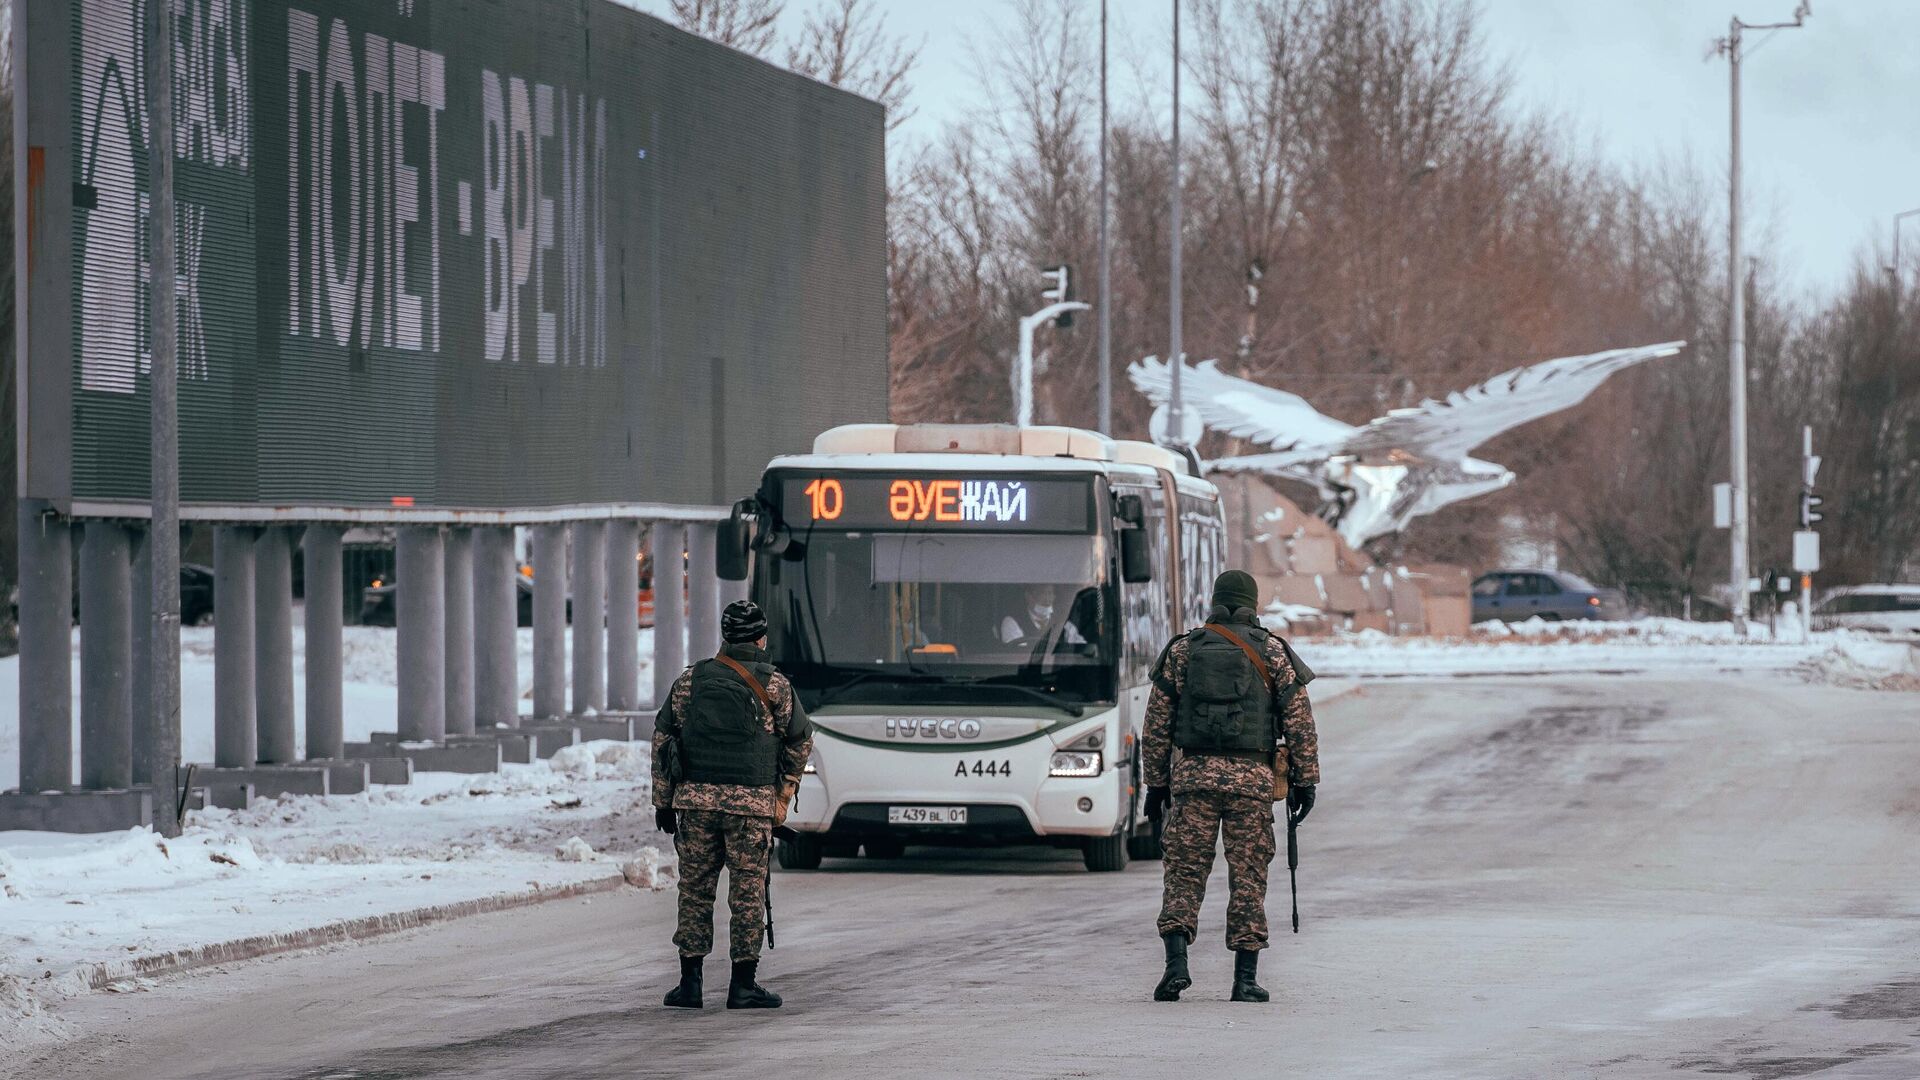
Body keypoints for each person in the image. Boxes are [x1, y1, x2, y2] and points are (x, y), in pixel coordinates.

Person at [1141, 569, 1320, 1003]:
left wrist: (1156, 784)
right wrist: (1305, 780)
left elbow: (1156, 725)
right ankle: (1244, 980)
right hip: (1252, 784)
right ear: (1252, 605)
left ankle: (1176, 965)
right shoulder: (1273, 652)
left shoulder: (1183, 651)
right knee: (1248, 878)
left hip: (1194, 781)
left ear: (1216, 602)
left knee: (1183, 873)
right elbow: (1299, 723)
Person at [653, 599, 814, 1010]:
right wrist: (781, 797)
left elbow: (663, 738)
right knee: (747, 894)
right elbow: (799, 741)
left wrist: (664, 801)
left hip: (696, 803)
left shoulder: (692, 681)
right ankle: (743, 986)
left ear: (725, 636)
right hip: (750, 808)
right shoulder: (775, 685)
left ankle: (689, 985)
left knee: (694, 891)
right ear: (761, 637)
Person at [996, 583, 1087, 647]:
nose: (1047, 599)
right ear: (1028, 597)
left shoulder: (1061, 622)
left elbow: (1080, 647)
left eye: (1050, 593)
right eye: (1042, 593)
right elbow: (1018, 652)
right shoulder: (1012, 622)